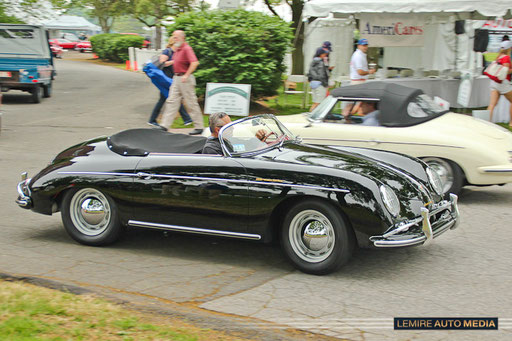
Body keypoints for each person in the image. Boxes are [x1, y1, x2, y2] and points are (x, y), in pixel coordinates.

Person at [160, 30, 205, 135]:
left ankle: (199, 126)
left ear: (182, 38)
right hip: (177, 78)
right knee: (172, 101)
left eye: (176, 37)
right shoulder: (178, 49)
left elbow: (194, 63)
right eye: (173, 37)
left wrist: (186, 74)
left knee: (191, 103)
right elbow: (176, 62)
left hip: (185, 79)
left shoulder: (186, 49)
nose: (174, 39)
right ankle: (164, 125)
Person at [148, 36, 192, 128]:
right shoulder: (167, 51)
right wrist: (174, 61)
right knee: (174, 98)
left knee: (164, 99)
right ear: (173, 43)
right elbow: (162, 63)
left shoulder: (176, 52)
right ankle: (186, 118)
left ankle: (152, 120)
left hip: (171, 78)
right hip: (166, 79)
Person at [486, 40, 512, 126]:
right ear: (509, 48)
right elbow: (505, 71)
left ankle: (486, 123)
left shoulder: (499, 56)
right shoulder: (506, 58)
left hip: (494, 83)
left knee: (492, 104)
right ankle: (511, 123)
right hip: (503, 83)